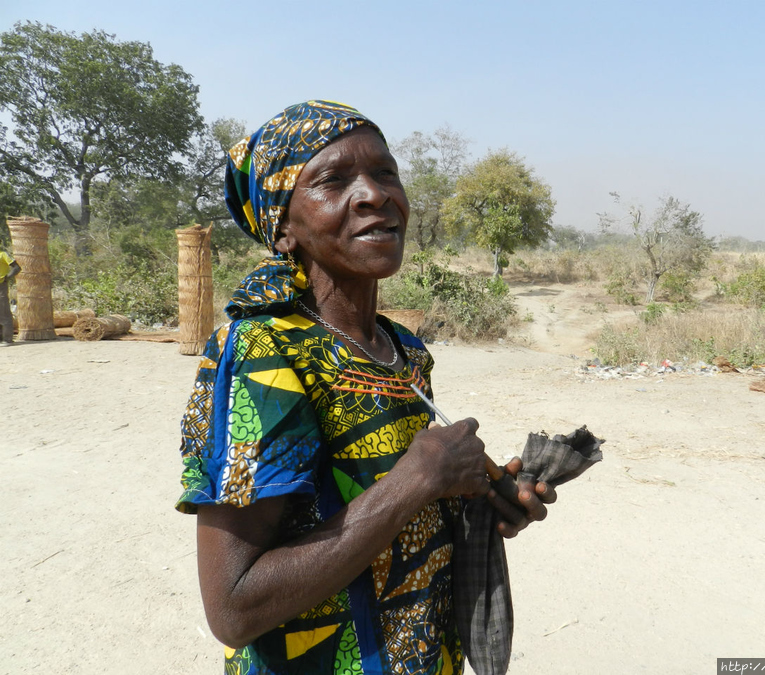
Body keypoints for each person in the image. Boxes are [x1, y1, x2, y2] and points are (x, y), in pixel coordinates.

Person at [176, 101, 555, 675]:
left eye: (385, 173)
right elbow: (234, 606)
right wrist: (415, 480)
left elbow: (390, 511)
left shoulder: (402, 347)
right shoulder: (263, 352)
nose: (374, 194)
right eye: (332, 180)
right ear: (283, 228)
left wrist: (479, 497)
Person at [0, 248, 21, 344]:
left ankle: (7, 339)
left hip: (1, 286)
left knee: (3, 312)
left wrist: (7, 277)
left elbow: (16, 268)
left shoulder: (3, 254)